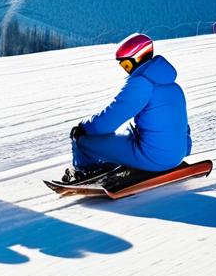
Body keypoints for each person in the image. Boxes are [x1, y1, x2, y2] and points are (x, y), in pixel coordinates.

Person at [67, 33, 192, 182]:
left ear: (138, 58)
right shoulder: (173, 86)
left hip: (153, 157)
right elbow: (182, 125)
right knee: (128, 130)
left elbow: (113, 116)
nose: (126, 70)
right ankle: (114, 162)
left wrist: (84, 129)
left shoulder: (142, 83)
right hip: (177, 154)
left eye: (126, 65)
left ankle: (86, 172)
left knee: (81, 140)